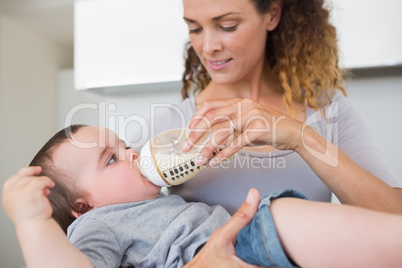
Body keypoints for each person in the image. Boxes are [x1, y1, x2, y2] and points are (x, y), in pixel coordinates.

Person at [129, 0, 402, 215]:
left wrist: (300, 138)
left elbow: (394, 217)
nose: (208, 47)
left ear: (272, 14)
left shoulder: (328, 112)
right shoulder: (167, 128)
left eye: (227, 26)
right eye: (195, 28)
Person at [3, 125, 402, 268]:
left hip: (252, 240)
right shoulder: (97, 224)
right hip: (246, 242)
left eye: (124, 144)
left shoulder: (151, 199)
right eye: (112, 159)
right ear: (82, 207)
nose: (133, 153)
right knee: (285, 216)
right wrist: (33, 224)